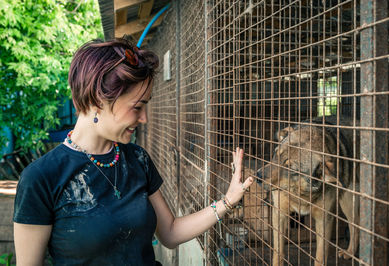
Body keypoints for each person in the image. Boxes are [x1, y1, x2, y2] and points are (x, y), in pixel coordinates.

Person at [13, 38, 255, 265]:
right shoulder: (41, 178)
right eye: (137, 107)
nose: (144, 118)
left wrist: (227, 201)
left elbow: (169, 232)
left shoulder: (137, 158)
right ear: (99, 99)